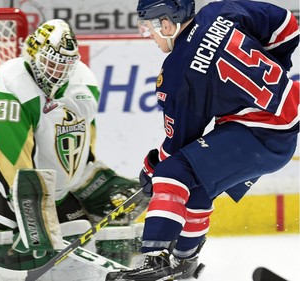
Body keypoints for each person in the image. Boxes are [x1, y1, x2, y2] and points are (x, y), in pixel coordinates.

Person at [106, 0, 299, 280]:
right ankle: (184, 263)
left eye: (149, 27)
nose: (148, 35)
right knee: (197, 186)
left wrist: (151, 167)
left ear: (167, 23)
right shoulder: (220, 12)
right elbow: (285, 25)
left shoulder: (176, 73)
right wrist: (275, 72)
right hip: (283, 117)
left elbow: (178, 146)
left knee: (172, 173)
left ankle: (156, 261)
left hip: (261, 133)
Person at [0, 19, 145, 262]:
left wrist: (87, 179)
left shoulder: (83, 81)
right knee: (25, 254)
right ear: (34, 54)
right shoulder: (13, 82)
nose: (58, 72)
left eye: (64, 65)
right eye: (52, 63)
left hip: (49, 189)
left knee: (82, 241)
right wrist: (30, 211)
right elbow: (8, 155)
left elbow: (82, 137)